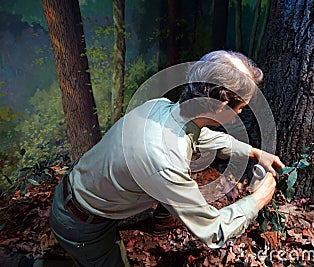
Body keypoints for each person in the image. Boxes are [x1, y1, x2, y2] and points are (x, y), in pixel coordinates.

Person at [49, 50, 284, 266]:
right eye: (240, 107)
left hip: (82, 196)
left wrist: (253, 152)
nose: (241, 112)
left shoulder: (160, 107)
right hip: (82, 224)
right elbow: (213, 230)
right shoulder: (165, 162)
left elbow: (198, 136)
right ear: (221, 106)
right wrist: (258, 200)